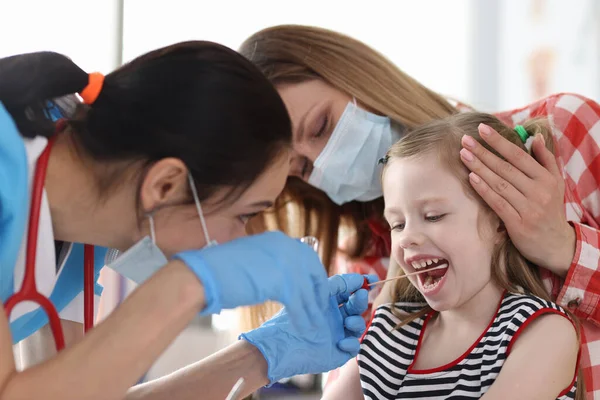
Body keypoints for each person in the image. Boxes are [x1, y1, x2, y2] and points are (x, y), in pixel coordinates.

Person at [239, 24, 600, 396]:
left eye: (320, 126)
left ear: (357, 75)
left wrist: (563, 248)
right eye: (302, 168)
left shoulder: (568, 132)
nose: (323, 162)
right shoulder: (366, 278)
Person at [0, 43, 376, 400]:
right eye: (243, 215)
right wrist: (187, 283)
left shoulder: (84, 239)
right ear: (165, 185)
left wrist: (262, 356)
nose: (238, 241)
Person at [323, 112, 582, 400]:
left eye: (433, 216)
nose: (407, 237)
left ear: (499, 220)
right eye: (397, 224)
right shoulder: (391, 330)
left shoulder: (544, 334)